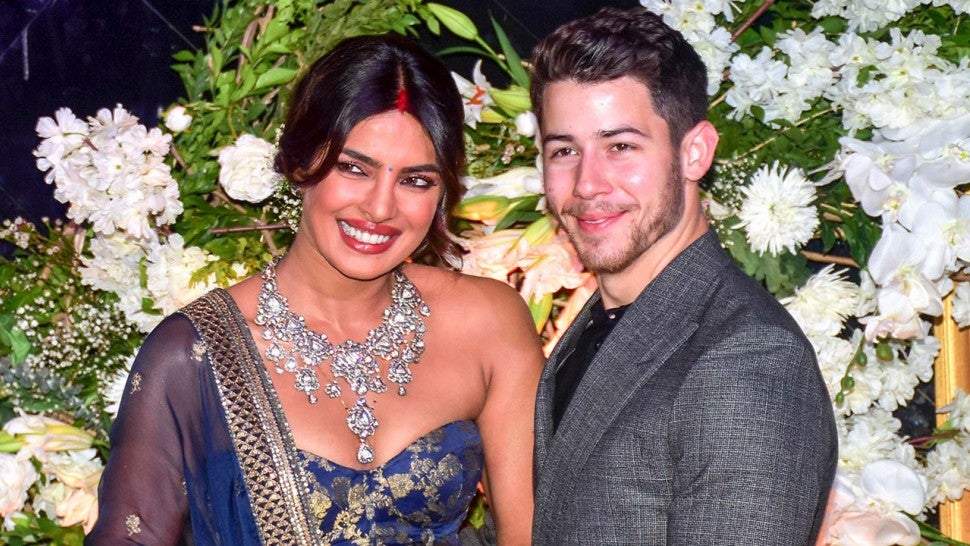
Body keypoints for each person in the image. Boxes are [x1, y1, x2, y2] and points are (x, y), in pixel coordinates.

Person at [87, 33, 543, 545]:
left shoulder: (488, 324)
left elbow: (535, 533)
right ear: (302, 162)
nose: (380, 208)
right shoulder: (195, 355)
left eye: (416, 180)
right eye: (354, 169)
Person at [528, 7, 838, 545]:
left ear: (694, 152)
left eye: (620, 146)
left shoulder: (747, 357)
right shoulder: (599, 327)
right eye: (564, 150)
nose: (587, 183)